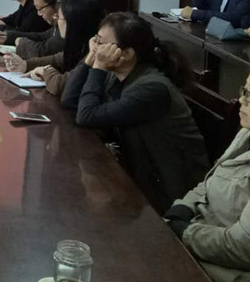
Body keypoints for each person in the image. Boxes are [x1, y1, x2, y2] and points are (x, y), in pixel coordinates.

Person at [61, 12, 210, 214]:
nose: (96, 47)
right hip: (139, 171)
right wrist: (90, 58)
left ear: (127, 53)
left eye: (101, 43)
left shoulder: (152, 89)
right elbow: (70, 100)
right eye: (96, 40)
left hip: (168, 190)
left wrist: (99, 66)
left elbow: (86, 116)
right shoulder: (119, 74)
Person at [165, 74, 250, 282]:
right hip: (196, 242)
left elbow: (244, 247)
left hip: (221, 271)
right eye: (245, 90)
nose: (241, 99)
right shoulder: (247, 133)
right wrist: (182, 208)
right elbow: (212, 178)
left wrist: (184, 232)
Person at [4, 0, 102, 95]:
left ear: (73, 22)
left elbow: (62, 85)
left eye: (58, 17)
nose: (56, 20)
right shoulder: (81, 43)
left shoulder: (95, 50)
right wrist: (25, 65)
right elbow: (57, 59)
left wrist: (46, 71)